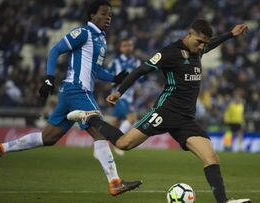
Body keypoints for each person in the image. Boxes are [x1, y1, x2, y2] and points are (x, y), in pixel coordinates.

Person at [68, 19, 250, 203]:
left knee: (211, 157)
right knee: (123, 144)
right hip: (165, 112)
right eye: (199, 42)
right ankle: (90, 118)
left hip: (186, 119)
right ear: (189, 34)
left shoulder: (199, 50)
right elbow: (140, 70)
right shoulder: (169, 53)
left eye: (205, 44)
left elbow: (212, 43)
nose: (202, 47)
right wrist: (119, 92)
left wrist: (230, 34)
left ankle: (223, 201)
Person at [0, 0, 141, 196]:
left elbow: (94, 70)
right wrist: (49, 78)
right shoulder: (83, 33)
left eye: (110, 14)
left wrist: (114, 78)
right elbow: (55, 50)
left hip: (71, 93)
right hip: (78, 91)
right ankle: (115, 182)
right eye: (104, 13)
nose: (108, 17)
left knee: (48, 137)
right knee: (99, 130)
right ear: (92, 15)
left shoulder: (101, 40)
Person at [107, 37, 141, 155]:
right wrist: (116, 81)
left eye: (129, 45)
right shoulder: (114, 62)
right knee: (132, 118)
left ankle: (100, 143)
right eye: (125, 45)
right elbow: (109, 78)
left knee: (115, 122)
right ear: (120, 48)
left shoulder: (136, 62)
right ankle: (118, 142)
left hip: (130, 97)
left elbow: (140, 79)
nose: (128, 47)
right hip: (119, 96)